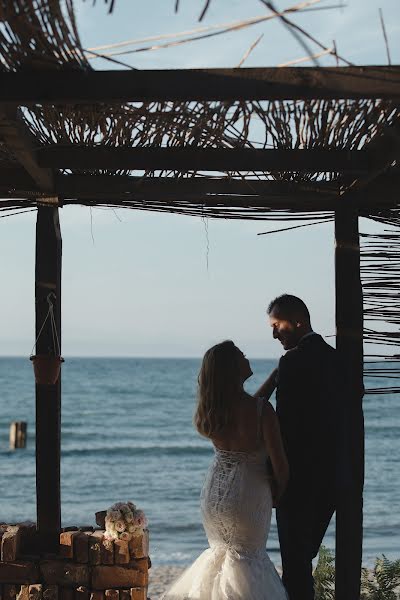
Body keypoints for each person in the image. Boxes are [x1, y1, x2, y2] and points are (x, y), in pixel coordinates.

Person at [162, 340, 289, 600]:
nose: (246, 356)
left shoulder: (216, 410)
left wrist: (273, 380)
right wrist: (277, 495)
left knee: (221, 557)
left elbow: (251, 405)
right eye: (241, 355)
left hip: (215, 494)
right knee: (249, 561)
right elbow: (281, 468)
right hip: (249, 494)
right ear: (233, 367)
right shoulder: (262, 412)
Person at [267, 294, 341, 600]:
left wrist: (276, 479)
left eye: (277, 325)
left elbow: (286, 428)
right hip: (332, 478)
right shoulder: (338, 359)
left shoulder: (292, 362)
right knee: (303, 560)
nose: (273, 334)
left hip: (297, 481)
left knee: (295, 568)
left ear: (299, 321)